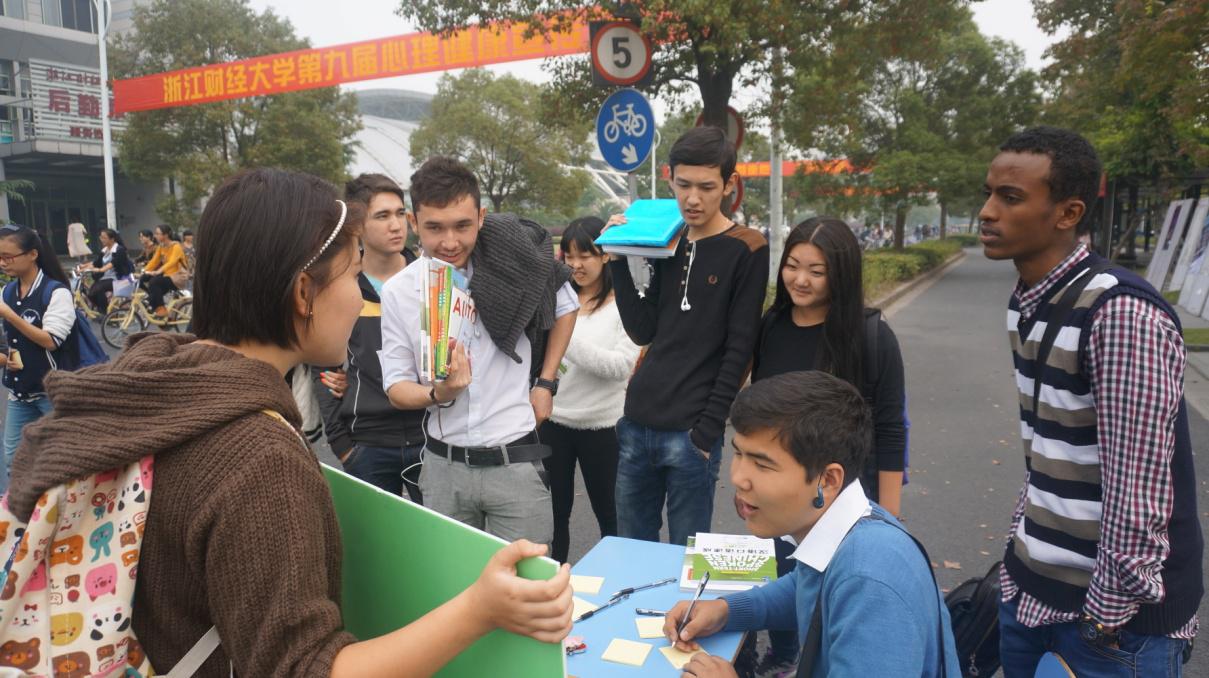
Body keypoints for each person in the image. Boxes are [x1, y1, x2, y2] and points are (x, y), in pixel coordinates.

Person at [5, 167, 573, 676]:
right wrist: (479, 610)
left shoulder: (155, 383)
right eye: (353, 276)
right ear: (304, 292)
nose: (358, 300)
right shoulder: (259, 459)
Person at [980, 126, 1202, 676]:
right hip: (1029, 597)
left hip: (1110, 627)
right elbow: (1049, 452)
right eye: (989, 193)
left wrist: (1104, 619)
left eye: (1010, 197)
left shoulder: (1119, 314)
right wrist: (1018, 560)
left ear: (1068, 212)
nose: (987, 211)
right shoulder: (1030, 302)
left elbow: (1138, 492)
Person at [663, 371, 959, 677]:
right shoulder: (847, 521)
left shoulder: (871, 581)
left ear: (827, 480)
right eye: (738, 453)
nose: (738, 478)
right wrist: (725, 611)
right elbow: (807, 587)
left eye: (762, 464)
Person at [380, 156, 577, 545]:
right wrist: (438, 393)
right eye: (434, 227)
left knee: (528, 579)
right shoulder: (399, 291)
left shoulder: (515, 263)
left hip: (516, 461)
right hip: (443, 468)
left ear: (481, 217)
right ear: (414, 222)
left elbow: (567, 306)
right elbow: (396, 386)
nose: (450, 242)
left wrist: (546, 383)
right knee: (450, 580)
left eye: (462, 226)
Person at [750, 216, 907, 674]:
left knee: (837, 595)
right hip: (782, 489)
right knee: (786, 579)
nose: (800, 279)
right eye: (792, 266)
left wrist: (889, 519)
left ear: (840, 274)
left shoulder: (871, 335)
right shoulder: (771, 326)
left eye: (816, 271)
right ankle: (783, 655)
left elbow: (891, 429)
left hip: (845, 497)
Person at [606, 126, 770, 547]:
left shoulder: (747, 247)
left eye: (706, 187)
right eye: (683, 185)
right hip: (637, 422)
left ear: (729, 184)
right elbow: (643, 330)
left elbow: (740, 347)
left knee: (687, 557)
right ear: (670, 178)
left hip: (691, 434)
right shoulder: (668, 239)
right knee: (631, 549)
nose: (693, 198)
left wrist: (707, 431)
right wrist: (618, 257)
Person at [313, 173, 426, 500]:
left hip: (430, 439)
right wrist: (343, 447)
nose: (396, 225)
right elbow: (322, 368)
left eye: (400, 213)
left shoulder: (431, 282)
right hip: (367, 446)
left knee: (431, 533)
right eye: (382, 216)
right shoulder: (340, 287)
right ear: (357, 227)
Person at [540, 216, 639, 563]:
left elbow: (620, 367)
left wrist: (564, 339)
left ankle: (617, 581)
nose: (576, 265)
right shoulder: (557, 300)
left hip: (604, 428)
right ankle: (553, 583)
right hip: (554, 422)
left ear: (605, 255)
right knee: (554, 516)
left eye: (585, 255)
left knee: (610, 516)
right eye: (569, 256)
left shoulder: (624, 304)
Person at [0, 224, 75, 494]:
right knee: (14, 461)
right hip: (19, 392)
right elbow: (8, 342)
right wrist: (5, 358)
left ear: (32, 254)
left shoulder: (56, 293)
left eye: (8, 257)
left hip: (51, 393)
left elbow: (51, 340)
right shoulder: (7, 292)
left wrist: (8, 314)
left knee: (62, 461)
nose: (2, 263)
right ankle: (24, 514)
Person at [80, 228, 133, 312]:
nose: (102, 239)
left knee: (98, 289)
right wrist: (83, 268)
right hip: (106, 277)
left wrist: (99, 270)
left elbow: (112, 263)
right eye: (101, 237)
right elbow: (96, 262)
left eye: (104, 238)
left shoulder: (119, 250)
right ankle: (103, 309)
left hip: (118, 279)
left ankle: (104, 312)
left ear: (112, 239)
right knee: (91, 293)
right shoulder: (105, 250)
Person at [141, 224, 186, 316]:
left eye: (158, 234)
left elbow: (172, 262)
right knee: (143, 279)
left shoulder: (176, 246)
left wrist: (158, 271)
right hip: (167, 275)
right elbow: (154, 261)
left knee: (154, 281)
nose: (155, 236)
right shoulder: (161, 246)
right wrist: (144, 271)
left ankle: (161, 308)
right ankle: (152, 300)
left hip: (178, 277)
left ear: (165, 235)